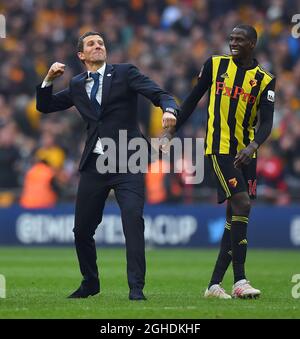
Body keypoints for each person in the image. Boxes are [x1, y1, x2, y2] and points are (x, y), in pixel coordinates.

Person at [36, 31, 178, 300]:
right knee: (82, 231)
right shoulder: (78, 84)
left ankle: (136, 289)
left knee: (132, 221)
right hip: (95, 164)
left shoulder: (125, 73)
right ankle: (91, 282)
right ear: (81, 55)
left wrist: (169, 109)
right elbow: (46, 106)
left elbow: (158, 93)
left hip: (129, 160)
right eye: (91, 43)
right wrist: (47, 80)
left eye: (101, 42)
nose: (98, 45)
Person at [164, 25, 275, 299]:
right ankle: (241, 280)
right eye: (231, 39)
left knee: (234, 216)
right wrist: (171, 129)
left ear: (252, 43)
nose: (233, 43)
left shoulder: (264, 80)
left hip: (246, 153)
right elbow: (191, 100)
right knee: (242, 203)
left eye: (240, 39)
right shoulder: (215, 65)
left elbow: (267, 122)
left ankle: (214, 284)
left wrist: (252, 146)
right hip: (219, 149)